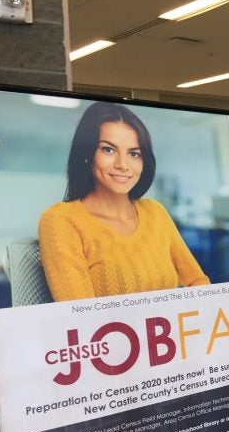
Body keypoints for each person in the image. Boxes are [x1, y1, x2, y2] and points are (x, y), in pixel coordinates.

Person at [38, 102, 209, 302]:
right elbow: (81, 319)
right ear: (87, 155)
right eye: (108, 150)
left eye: (134, 154)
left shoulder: (155, 212)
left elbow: (198, 283)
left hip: (169, 332)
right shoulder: (62, 221)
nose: (122, 165)